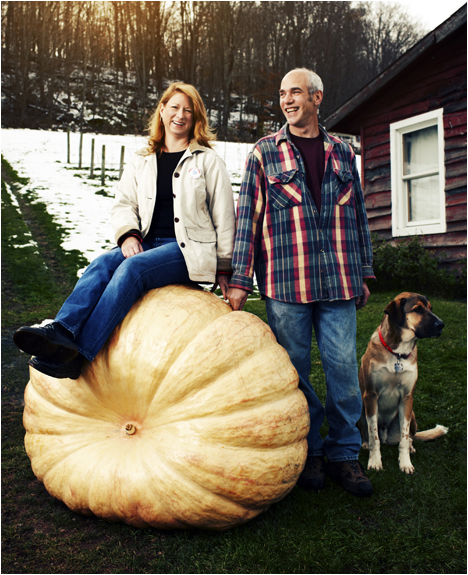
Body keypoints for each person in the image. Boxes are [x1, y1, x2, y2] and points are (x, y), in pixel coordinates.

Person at [14, 82, 236, 380]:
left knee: (133, 269)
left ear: (196, 118)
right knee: (103, 263)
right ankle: (62, 330)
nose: (180, 115)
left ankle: (79, 354)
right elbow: (123, 205)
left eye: (188, 110)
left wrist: (224, 267)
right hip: (146, 241)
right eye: (174, 107)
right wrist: (129, 234)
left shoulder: (208, 161)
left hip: (189, 249)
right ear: (162, 110)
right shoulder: (142, 160)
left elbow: (225, 217)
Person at [227, 68, 375, 497]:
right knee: (294, 373)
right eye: (282, 94)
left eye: (295, 92)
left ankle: (344, 453)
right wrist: (239, 279)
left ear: (317, 97)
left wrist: (365, 270)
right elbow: (246, 223)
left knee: (344, 372)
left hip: (340, 280)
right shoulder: (263, 154)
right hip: (286, 283)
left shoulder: (343, 153)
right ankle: (309, 450)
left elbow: (358, 218)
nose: (287, 100)